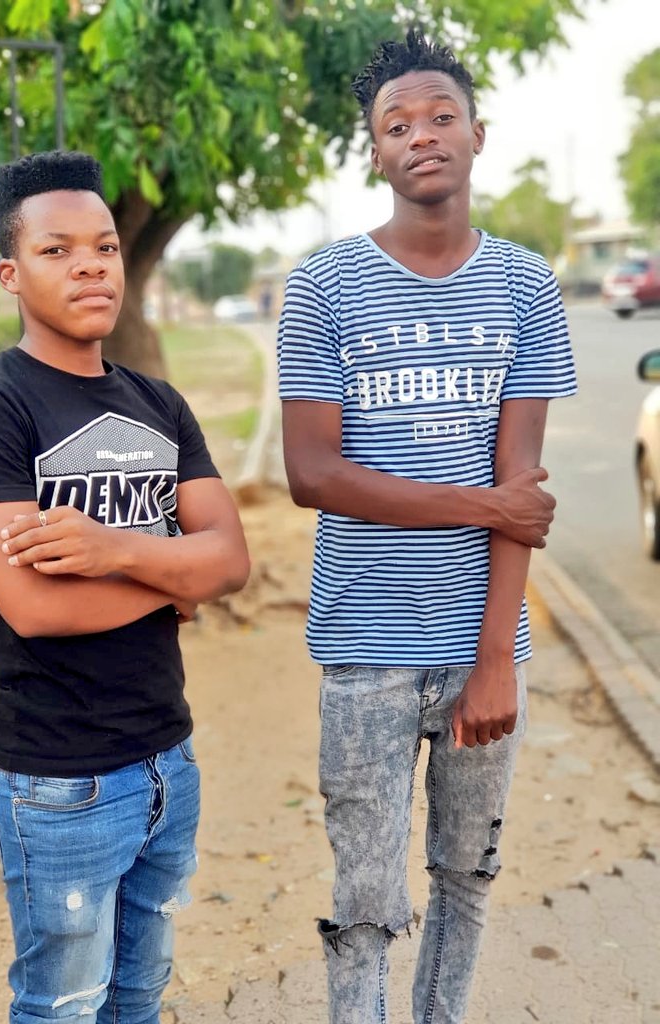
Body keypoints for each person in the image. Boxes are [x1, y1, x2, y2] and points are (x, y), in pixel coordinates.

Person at [277, 30, 577, 1024]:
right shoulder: (323, 285)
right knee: (364, 897)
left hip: (481, 644)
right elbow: (313, 474)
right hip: (364, 645)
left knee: (466, 875)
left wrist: (495, 661)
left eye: (441, 115)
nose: (422, 135)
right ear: (376, 154)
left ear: (477, 134)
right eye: (396, 125)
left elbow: (522, 480)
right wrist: (486, 504)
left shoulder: (525, 284)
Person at [0, 150, 249, 1024]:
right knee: (62, 1005)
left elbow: (232, 560)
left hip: (167, 758)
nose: (91, 267)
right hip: (58, 778)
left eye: (105, 248)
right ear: (11, 273)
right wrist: (174, 575)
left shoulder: (159, 403)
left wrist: (114, 550)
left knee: (138, 997)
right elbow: (35, 607)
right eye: (57, 250)